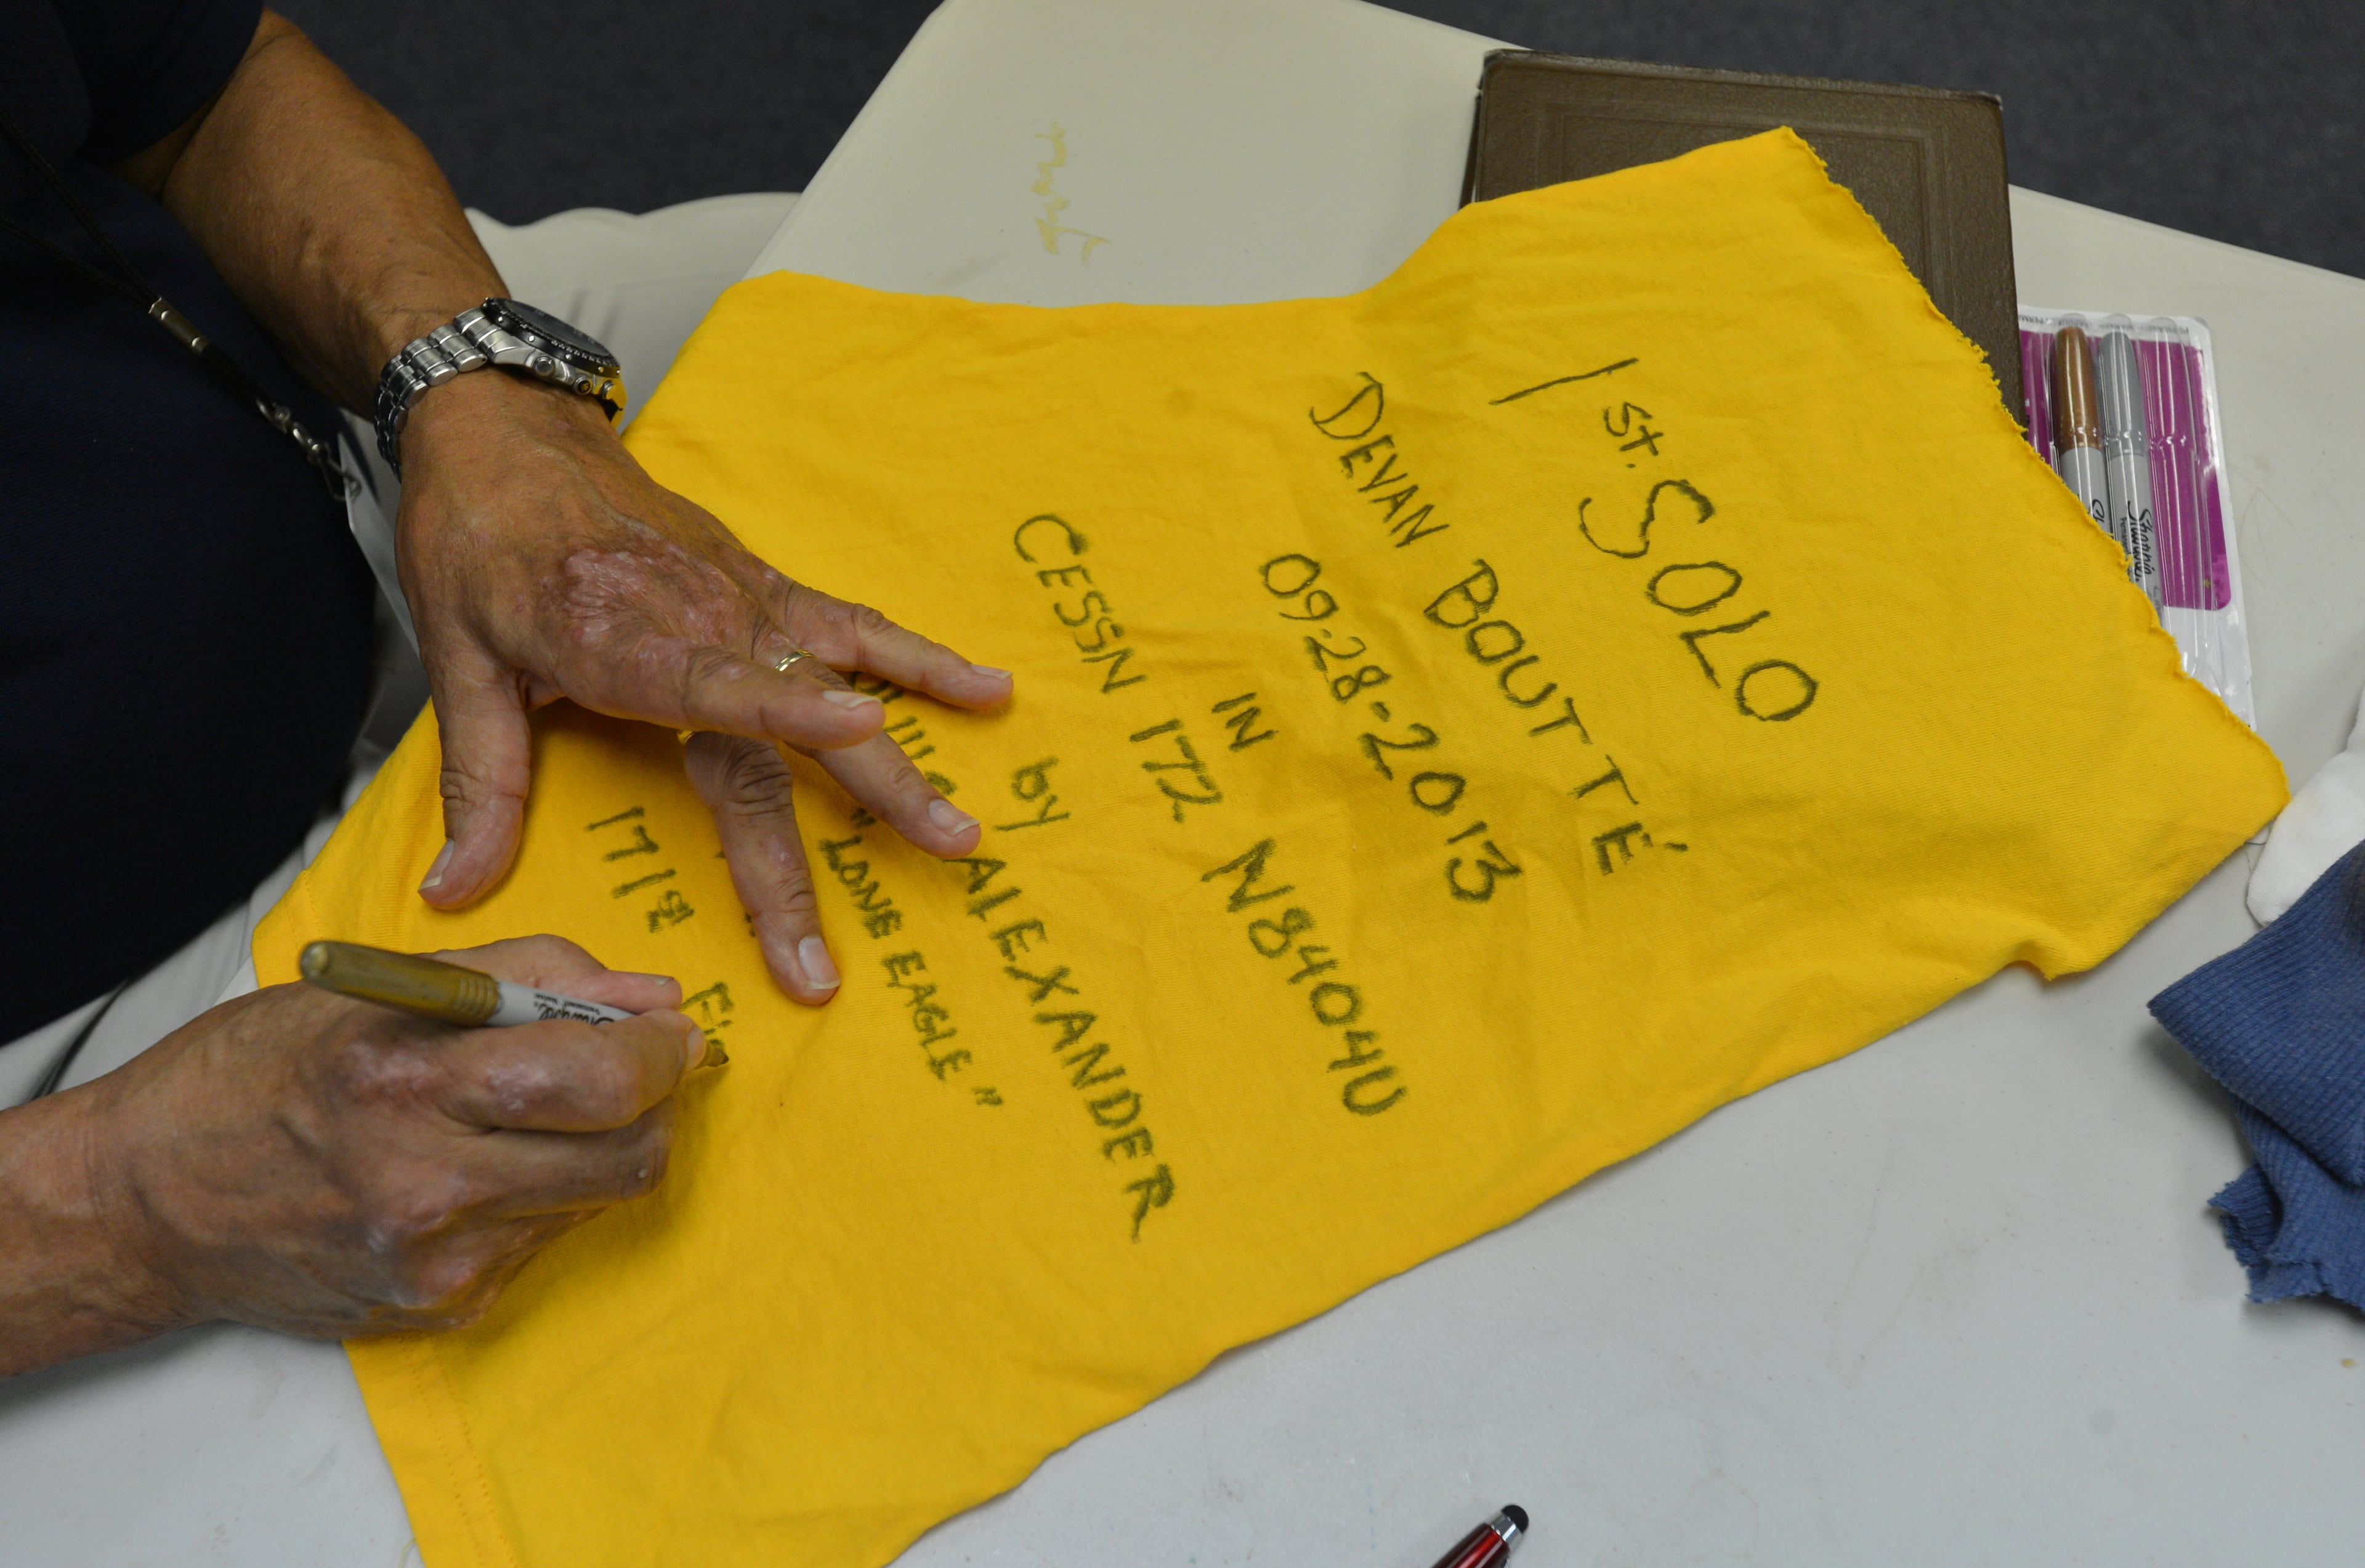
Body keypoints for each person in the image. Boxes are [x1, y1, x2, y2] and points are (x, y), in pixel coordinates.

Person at [0, 0, 1013, 1376]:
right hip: (85, 1044)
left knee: (1000, 268)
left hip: (270, 361)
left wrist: (478, 397)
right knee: (852, 1268)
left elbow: (197, 82)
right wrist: (122, 1203)